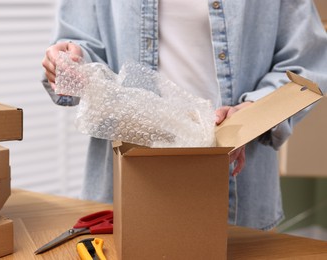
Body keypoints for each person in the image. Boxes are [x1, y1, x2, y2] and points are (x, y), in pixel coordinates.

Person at [42, 0, 327, 231]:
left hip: (236, 188)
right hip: (126, 183)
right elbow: (79, 46)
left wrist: (251, 111)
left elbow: (307, 61)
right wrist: (68, 63)